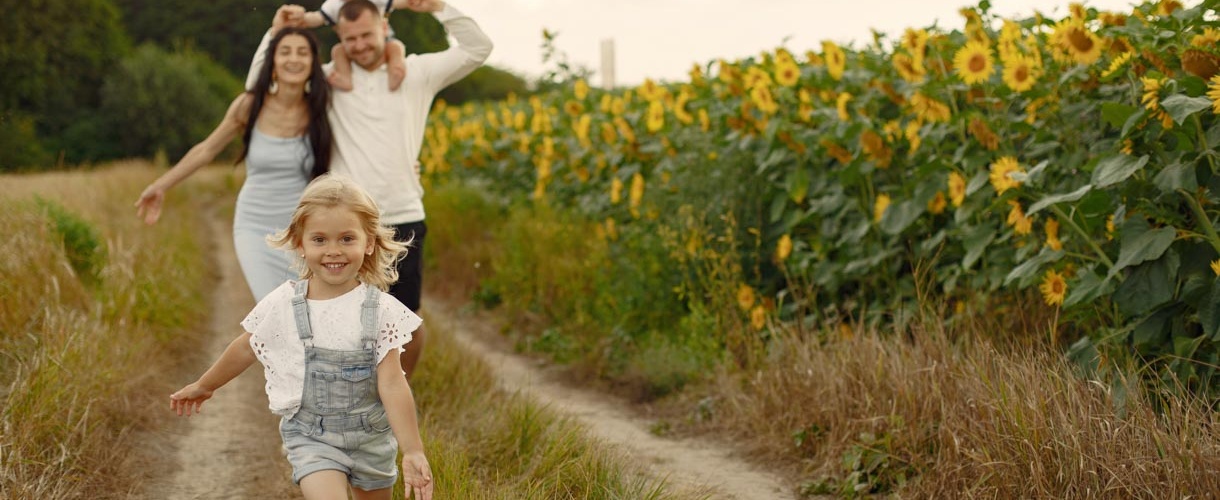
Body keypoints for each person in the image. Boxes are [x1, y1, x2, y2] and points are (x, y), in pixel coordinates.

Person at [247, 0, 492, 379]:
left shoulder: (417, 73)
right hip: (345, 228)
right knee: (341, 322)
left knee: (404, 323)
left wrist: (439, 8)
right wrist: (274, 31)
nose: (360, 45)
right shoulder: (328, 80)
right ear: (340, 41)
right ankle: (336, 404)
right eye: (350, 39)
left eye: (366, 35)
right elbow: (262, 84)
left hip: (404, 215)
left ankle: (391, 400)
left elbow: (479, 48)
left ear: (384, 27)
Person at [170, 174, 432, 500]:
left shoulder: (381, 310)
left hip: (371, 439)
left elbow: (393, 383)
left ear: (369, 243)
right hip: (312, 437)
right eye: (319, 239)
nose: (333, 251)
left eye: (347, 239)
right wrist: (205, 385)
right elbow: (246, 347)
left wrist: (412, 450)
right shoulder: (286, 302)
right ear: (300, 243)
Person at [136, 25, 333, 302]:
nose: (294, 59)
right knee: (273, 307)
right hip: (255, 226)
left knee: (307, 310)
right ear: (273, 62)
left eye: (303, 52)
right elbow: (206, 150)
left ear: (313, 63)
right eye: (285, 51)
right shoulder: (249, 105)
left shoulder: (324, 108)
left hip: (306, 231)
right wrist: (160, 185)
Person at [300, 0, 410, 91]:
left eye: (366, 35)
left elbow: (398, 2)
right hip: (346, 45)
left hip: (384, 38)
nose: (360, 46)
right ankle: (344, 77)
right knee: (337, 51)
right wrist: (302, 18)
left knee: (395, 47)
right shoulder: (333, 4)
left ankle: (395, 70)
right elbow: (317, 17)